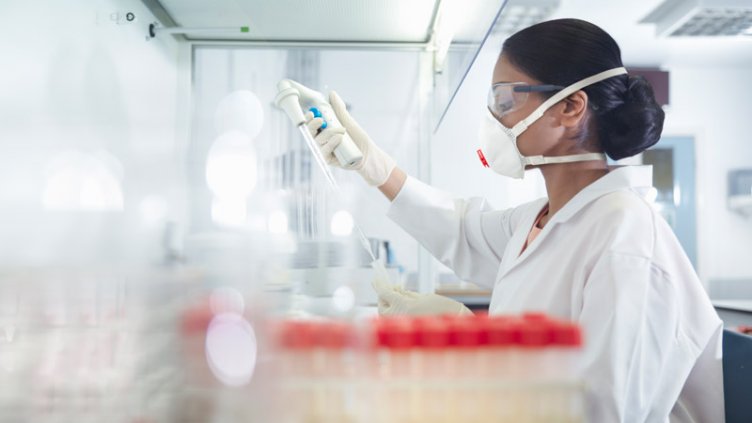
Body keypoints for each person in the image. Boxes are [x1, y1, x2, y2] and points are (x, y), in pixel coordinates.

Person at [305, 18, 724, 423]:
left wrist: (468, 343)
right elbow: (462, 230)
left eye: (505, 100)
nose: (495, 117)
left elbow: (601, 412)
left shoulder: (623, 238)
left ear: (570, 108)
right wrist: (374, 167)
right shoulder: (543, 218)